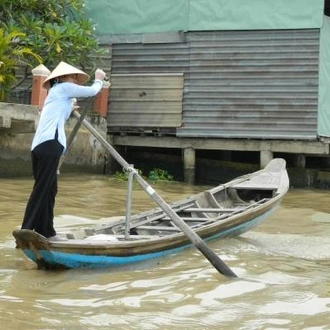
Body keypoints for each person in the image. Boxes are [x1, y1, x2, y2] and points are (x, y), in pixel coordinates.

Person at [21, 61, 106, 241]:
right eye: (72, 76)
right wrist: (99, 79)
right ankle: (26, 230)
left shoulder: (55, 94)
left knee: (50, 189)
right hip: (50, 145)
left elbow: (64, 113)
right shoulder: (63, 89)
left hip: (40, 147)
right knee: (43, 188)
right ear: (60, 78)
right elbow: (92, 91)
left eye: (75, 77)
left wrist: (70, 105)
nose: (74, 80)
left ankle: (46, 231)